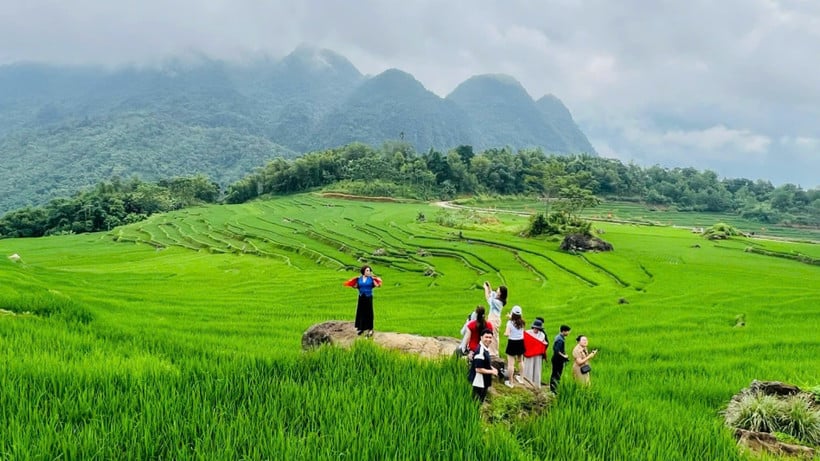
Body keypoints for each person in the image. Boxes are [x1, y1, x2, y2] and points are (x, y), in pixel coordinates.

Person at [343, 265, 382, 337]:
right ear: (363, 271)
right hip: (361, 297)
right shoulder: (359, 279)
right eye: (367, 270)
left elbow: (378, 285)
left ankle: (370, 329)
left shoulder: (371, 279)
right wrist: (351, 284)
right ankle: (362, 328)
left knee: (369, 312)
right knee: (361, 312)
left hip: (368, 297)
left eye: (369, 270)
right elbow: (356, 286)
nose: (369, 272)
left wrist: (376, 280)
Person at [468, 329, 498, 402]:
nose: (488, 339)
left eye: (490, 337)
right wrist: (492, 372)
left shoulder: (484, 348)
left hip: (483, 382)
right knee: (476, 403)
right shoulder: (480, 352)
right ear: (481, 337)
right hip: (478, 382)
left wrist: (492, 368)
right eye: (486, 337)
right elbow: (478, 369)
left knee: (479, 402)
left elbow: (484, 363)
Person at [521, 318, 548, 389]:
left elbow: (539, 343)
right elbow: (526, 341)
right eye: (535, 328)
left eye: (538, 328)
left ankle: (536, 385)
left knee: (537, 369)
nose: (536, 330)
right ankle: (527, 384)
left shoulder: (542, 334)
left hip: (537, 354)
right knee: (528, 367)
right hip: (529, 354)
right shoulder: (528, 333)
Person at [483, 281, 508, 357]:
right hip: (492, 319)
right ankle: (492, 351)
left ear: (500, 293)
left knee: (493, 336)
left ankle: (493, 353)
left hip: (494, 320)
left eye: (498, 290)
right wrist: (489, 287)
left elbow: (488, 298)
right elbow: (491, 294)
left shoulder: (498, 302)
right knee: (492, 335)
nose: (497, 290)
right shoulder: (497, 298)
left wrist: (485, 289)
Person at [503, 305, 526, 388]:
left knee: (511, 364)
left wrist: (505, 333)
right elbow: (516, 322)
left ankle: (511, 382)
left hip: (512, 343)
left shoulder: (509, 323)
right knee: (520, 361)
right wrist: (510, 317)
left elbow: (507, 333)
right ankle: (521, 378)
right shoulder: (522, 323)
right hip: (520, 342)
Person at [549, 325, 571, 393]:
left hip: (557, 359)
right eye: (567, 331)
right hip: (557, 360)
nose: (568, 333)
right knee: (556, 374)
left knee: (555, 374)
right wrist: (564, 356)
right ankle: (553, 390)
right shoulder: (560, 340)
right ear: (563, 331)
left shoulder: (559, 337)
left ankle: (554, 388)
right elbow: (556, 350)